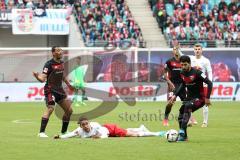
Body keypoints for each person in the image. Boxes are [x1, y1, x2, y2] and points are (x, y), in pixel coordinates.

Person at [168, 55, 212, 141]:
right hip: (190, 98)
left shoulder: (197, 72)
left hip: (200, 98)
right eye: (182, 64)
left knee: (188, 106)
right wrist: (175, 95)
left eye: (185, 64)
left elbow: (209, 83)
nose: (183, 66)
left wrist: (207, 98)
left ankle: (181, 130)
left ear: (189, 64)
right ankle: (184, 137)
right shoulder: (182, 72)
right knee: (180, 115)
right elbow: (183, 84)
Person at [33, 46, 74, 138]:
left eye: (61, 50)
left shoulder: (62, 63)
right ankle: (41, 132)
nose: (61, 52)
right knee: (50, 108)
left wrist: (69, 85)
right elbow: (42, 79)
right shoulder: (48, 64)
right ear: (53, 53)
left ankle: (64, 132)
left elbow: (63, 75)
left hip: (60, 90)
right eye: (58, 50)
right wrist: (36, 76)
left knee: (69, 111)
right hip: (50, 90)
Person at [54, 117, 166, 139]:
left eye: (87, 123)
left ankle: (157, 133)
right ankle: (141, 128)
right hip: (108, 132)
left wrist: (98, 137)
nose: (86, 126)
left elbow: (104, 136)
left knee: (132, 135)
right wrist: (60, 136)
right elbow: (70, 135)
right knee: (128, 131)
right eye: (83, 125)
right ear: (80, 126)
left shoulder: (96, 126)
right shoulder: (79, 131)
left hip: (110, 130)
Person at [189, 43, 213, 127]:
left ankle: (205, 122)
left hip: (203, 84)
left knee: (205, 103)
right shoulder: (190, 59)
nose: (197, 50)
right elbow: (182, 56)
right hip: (193, 84)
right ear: (194, 50)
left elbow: (209, 72)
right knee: (189, 102)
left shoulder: (206, 60)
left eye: (199, 49)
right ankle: (189, 120)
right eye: (196, 49)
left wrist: (209, 82)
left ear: (201, 50)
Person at [163, 46, 186, 126]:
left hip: (182, 85)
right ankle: (165, 119)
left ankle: (189, 118)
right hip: (172, 85)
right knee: (170, 103)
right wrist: (170, 83)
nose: (176, 50)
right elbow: (165, 74)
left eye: (177, 49)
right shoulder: (169, 61)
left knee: (186, 103)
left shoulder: (183, 61)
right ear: (173, 51)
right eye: (174, 49)